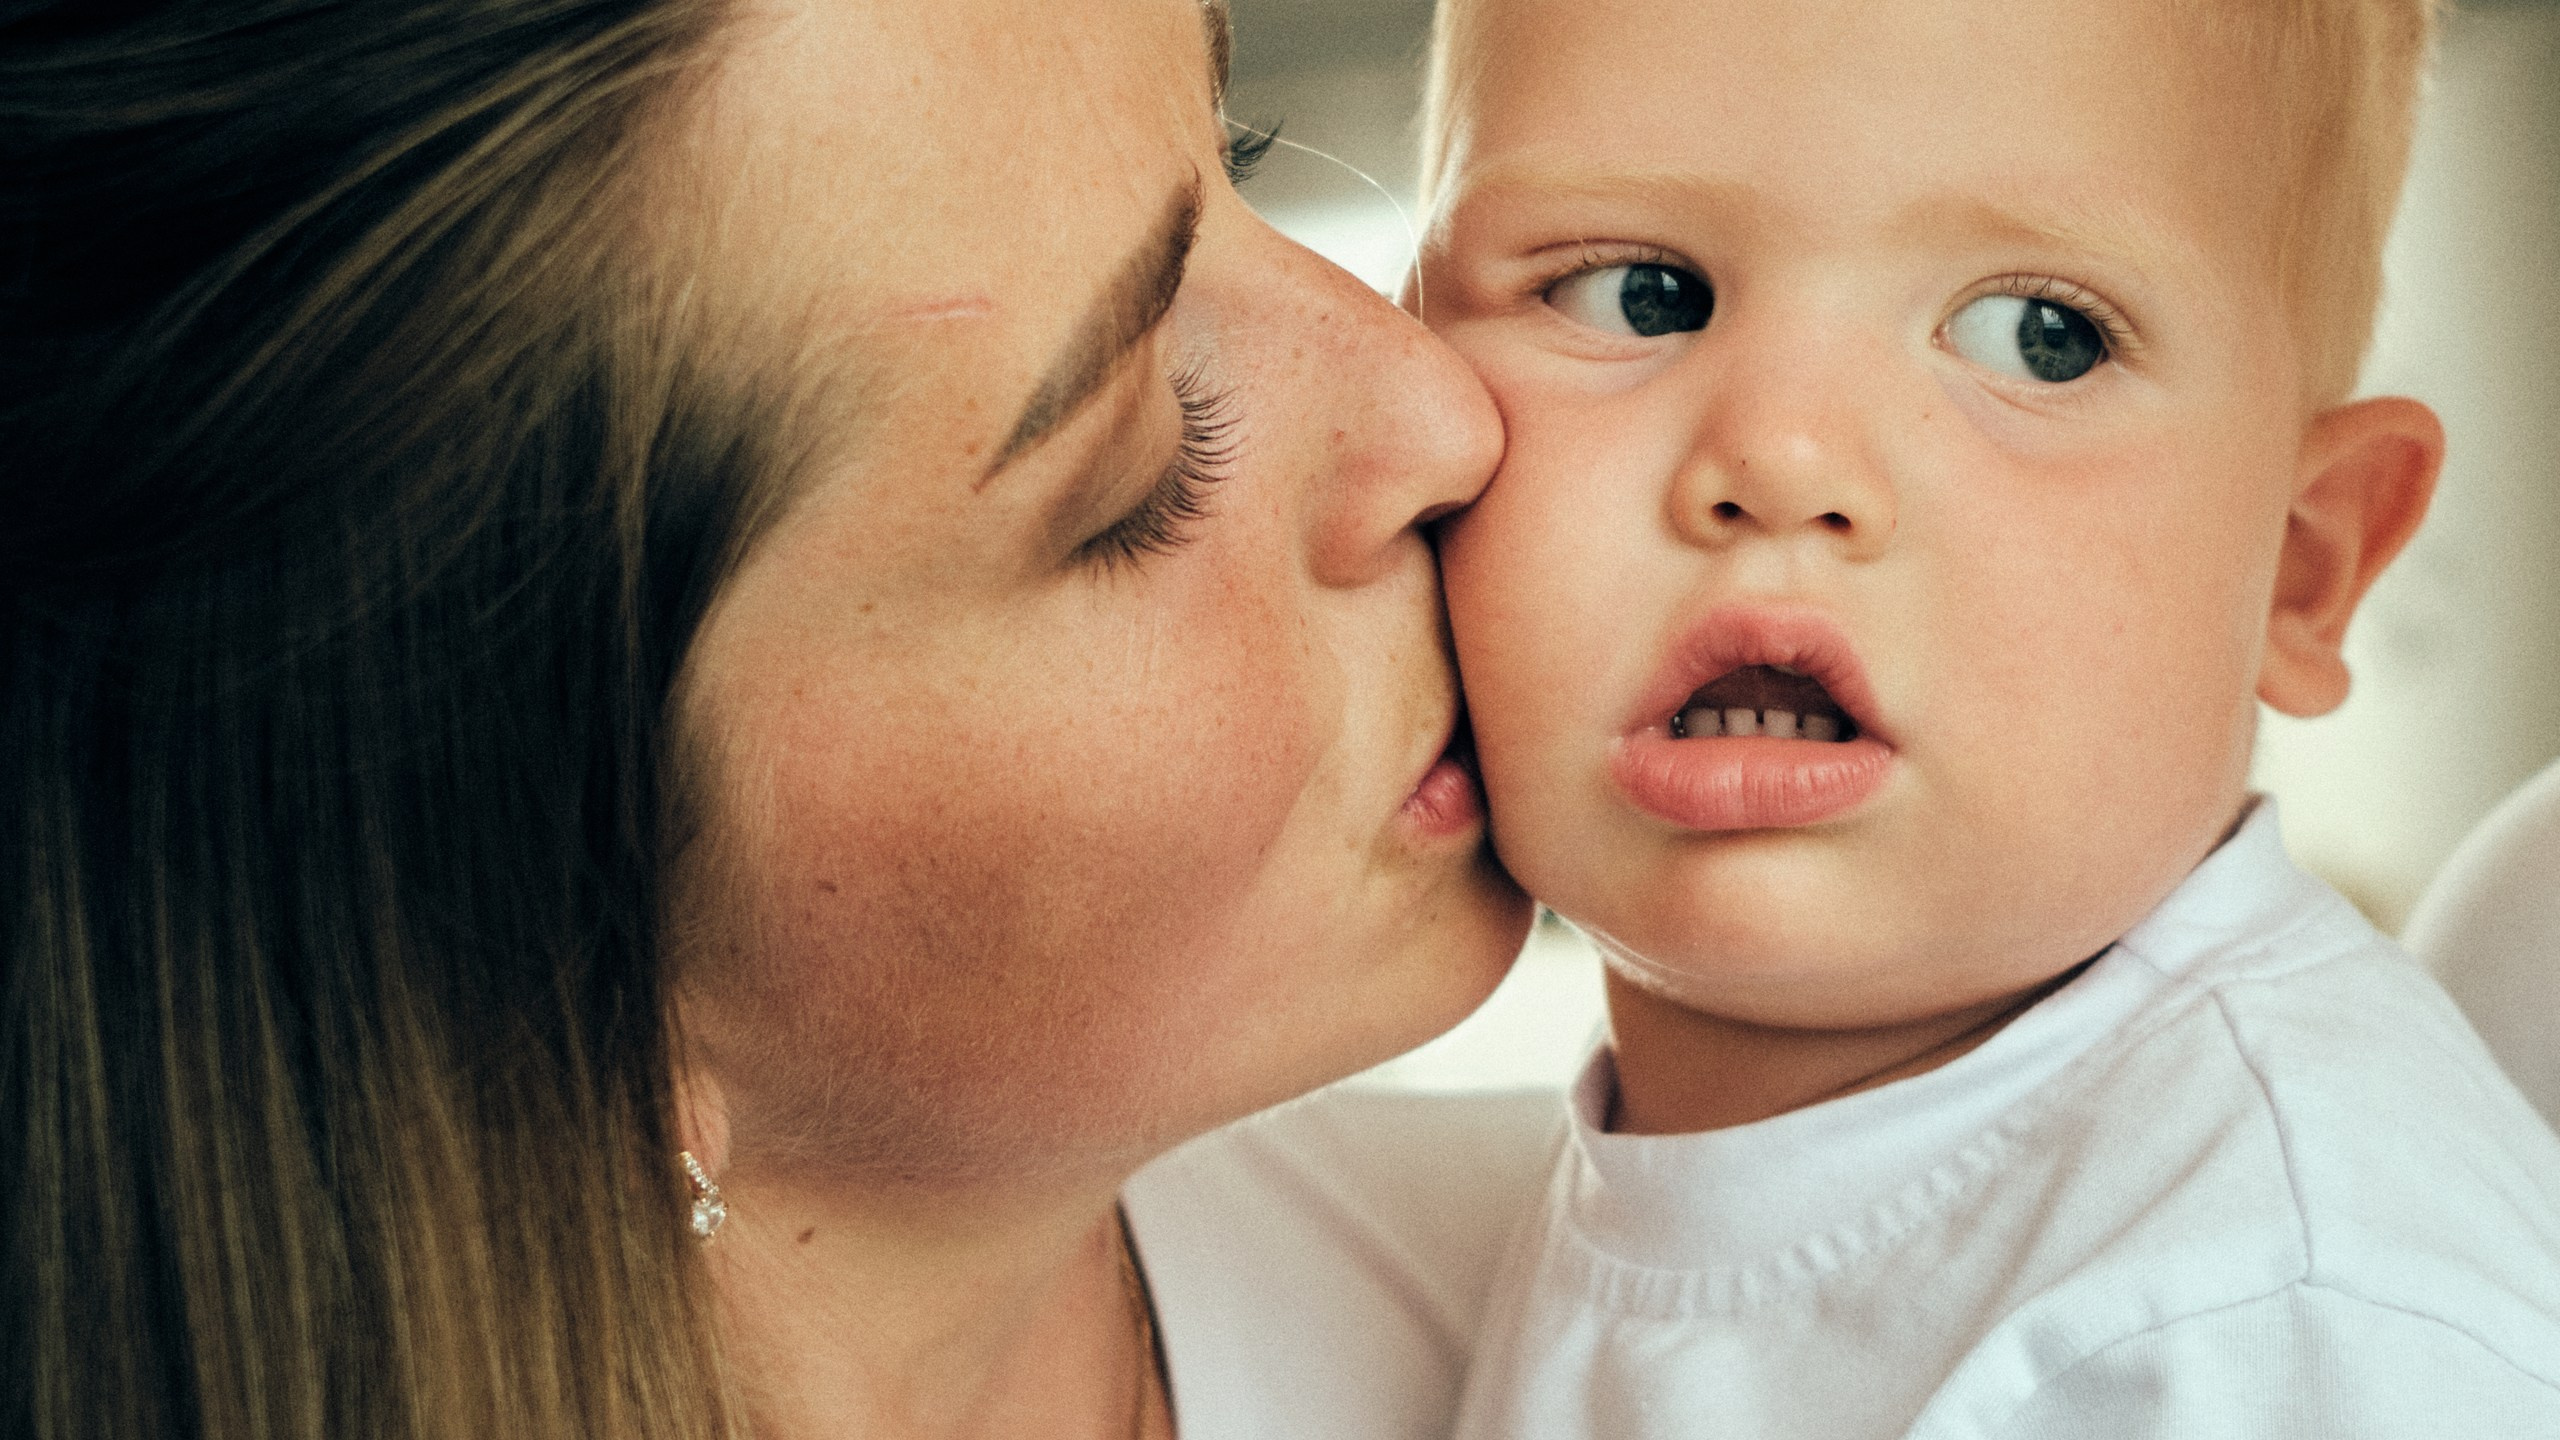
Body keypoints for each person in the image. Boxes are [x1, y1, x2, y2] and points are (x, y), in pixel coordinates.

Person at [2, 1, 1560, 1436]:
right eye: (1145, 471)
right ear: (555, 978)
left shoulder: (1662, 1335)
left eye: (1239, 156)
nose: (1443, 407)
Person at [1413, 0, 2560, 1433]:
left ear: (2303, 564)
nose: (1782, 456)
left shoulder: (2285, 1326)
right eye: (1637, 292)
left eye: (2042, 337)